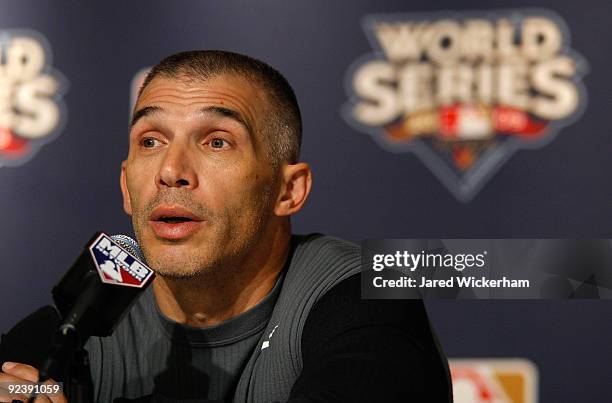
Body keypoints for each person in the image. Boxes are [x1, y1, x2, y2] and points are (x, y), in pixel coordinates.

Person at [0, 50, 452, 402]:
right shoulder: (84, 319)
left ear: (288, 191)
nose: (171, 170)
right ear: (126, 186)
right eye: (151, 140)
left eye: (217, 141)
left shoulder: (366, 296)